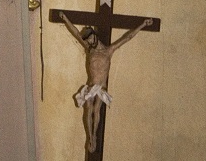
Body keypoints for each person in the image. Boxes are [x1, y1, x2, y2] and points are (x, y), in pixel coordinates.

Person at [60, 12, 153, 152]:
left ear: (95, 36)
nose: (89, 42)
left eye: (90, 38)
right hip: (90, 86)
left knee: (96, 109)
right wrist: (65, 18)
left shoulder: (108, 51)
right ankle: (90, 137)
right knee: (88, 109)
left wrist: (143, 24)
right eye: (87, 40)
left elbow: (127, 37)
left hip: (101, 87)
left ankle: (94, 135)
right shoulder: (89, 50)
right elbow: (76, 33)